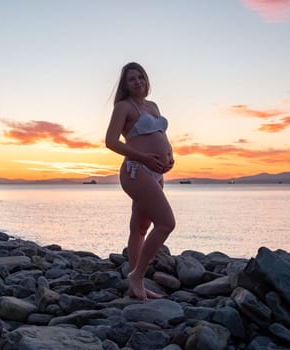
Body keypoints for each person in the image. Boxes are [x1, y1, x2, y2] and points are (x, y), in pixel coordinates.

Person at [105, 62, 175, 300]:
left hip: (156, 172)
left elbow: (162, 136)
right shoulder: (123, 107)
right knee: (166, 223)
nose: (137, 81)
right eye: (131, 79)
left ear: (146, 80)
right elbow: (111, 142)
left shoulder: (153, 106)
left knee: (140, 228)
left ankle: (137, 287)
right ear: (125, 85)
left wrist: (170, 155)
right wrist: (145, 157)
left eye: (140, 77)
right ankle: (137, 275)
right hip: (136, 170)